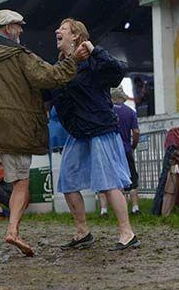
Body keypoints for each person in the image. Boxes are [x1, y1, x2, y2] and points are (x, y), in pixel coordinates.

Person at [0, 9, 90, 259]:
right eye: (18, 27)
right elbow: (50, 77)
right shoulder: (20, 55)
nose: (21, 31)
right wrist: (74, 61)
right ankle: (13, 230)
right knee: (20, 182)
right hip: (14, 129)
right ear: (8, 29)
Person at [51, 18, 139, 252]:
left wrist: (95, 50)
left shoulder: (92, 60)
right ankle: (82, 233)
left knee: (109, 183)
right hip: (79, 132)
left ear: (76, 37)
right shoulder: (61, 65)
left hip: (100, 128)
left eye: (63, 29)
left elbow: (118, 71)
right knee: (68, 182)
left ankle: (127, 233)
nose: (57, 31)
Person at [112, 87, 140, 214]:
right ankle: (135, 208)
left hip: (113, 150)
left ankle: (120, 210)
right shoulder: (130, 112)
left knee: (117, 181)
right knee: (132, 179)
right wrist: (133, 145)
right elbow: (136, 132)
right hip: (127, 149)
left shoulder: (109, 111)